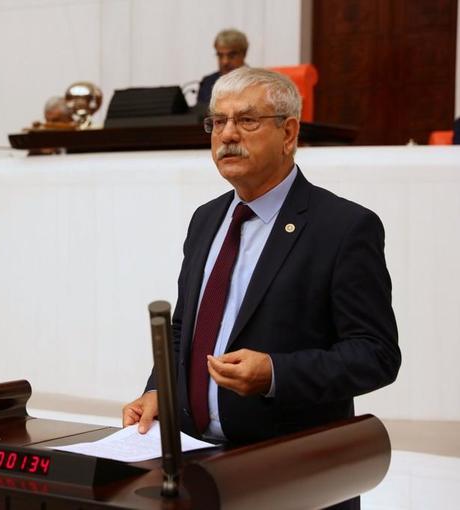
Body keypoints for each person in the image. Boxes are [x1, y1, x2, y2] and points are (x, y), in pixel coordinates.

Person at [123, 67, 400, 508]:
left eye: (247, 120)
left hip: (291, 473)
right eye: (218, 121)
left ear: (288, 134)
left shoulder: (344, 228)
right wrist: (161, 389)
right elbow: (183, 329)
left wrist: (275, 374)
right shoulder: (206, 219)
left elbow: (376, 355)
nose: (227, 135)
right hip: (197, 465)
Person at [197, 29, 248, 107]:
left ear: (244, 54)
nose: (225, 62)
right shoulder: (207, 82)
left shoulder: (256, 82)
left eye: (231, 55)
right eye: (220, 55)